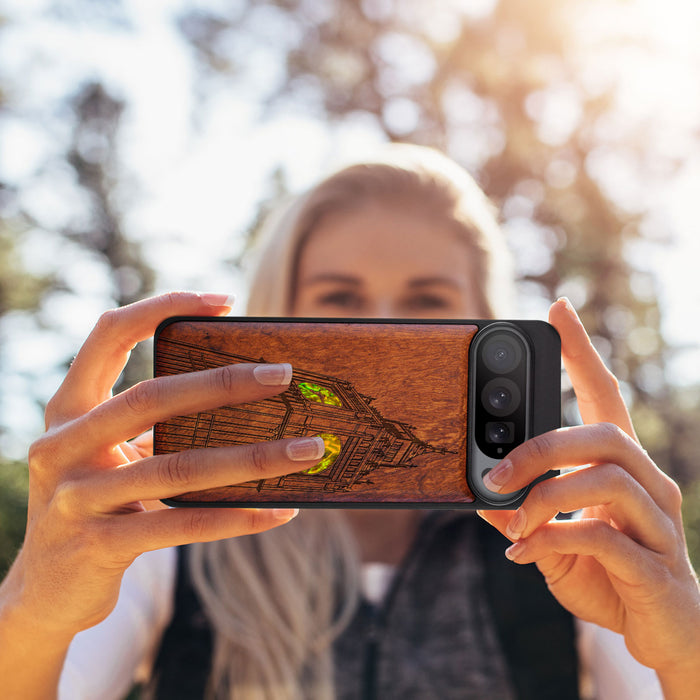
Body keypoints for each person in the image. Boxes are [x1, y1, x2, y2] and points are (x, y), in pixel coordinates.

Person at [0, 145, 698, 700]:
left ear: (487, 322)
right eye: (340, 298)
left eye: (427, 302)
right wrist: (34, 607)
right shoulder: (171, 535)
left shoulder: (567, 543)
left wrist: (685, 648)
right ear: (279, 313)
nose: (385, 326)